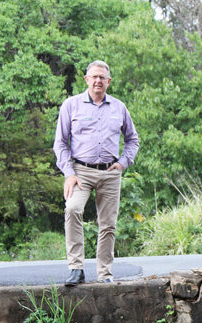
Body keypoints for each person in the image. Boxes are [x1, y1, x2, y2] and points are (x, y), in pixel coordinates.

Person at [53, 60, 139, 286]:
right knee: (72, 209)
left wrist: (123, 162)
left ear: (108, 82)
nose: (98, 81)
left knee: (108, 224)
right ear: (87, 79)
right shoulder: (71, 106)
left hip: (110, 173)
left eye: (102, 77)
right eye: (94, 77)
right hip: (80, 171)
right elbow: (60, 143)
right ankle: (75, 268)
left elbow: (133, 139)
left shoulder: (119, 107)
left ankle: (105, 273)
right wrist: (68, 173)